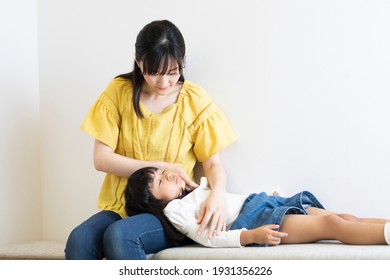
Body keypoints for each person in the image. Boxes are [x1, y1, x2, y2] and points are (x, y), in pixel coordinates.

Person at [65, 20, 236, 259]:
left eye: (173, 72)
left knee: (120, 235)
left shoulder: (193, 100)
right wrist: (160, 167)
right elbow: (101, 159)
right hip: (119, 208)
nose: (164, 83)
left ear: (182, 63)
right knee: (79, 239)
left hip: (171, 211)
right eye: (154, 73)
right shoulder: (119, 92)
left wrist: (218, 195)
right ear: (138, 60)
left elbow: (213, 163)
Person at [124, 166, 390, 248]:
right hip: (254, 219)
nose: (168, 175)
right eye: (159, 181)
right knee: (333, 226)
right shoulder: (175, 211)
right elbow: (208, 238)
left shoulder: (195, 189)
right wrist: (251, 236)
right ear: (155, 203)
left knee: (343, 217)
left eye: (160, 171)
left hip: (263, 201)